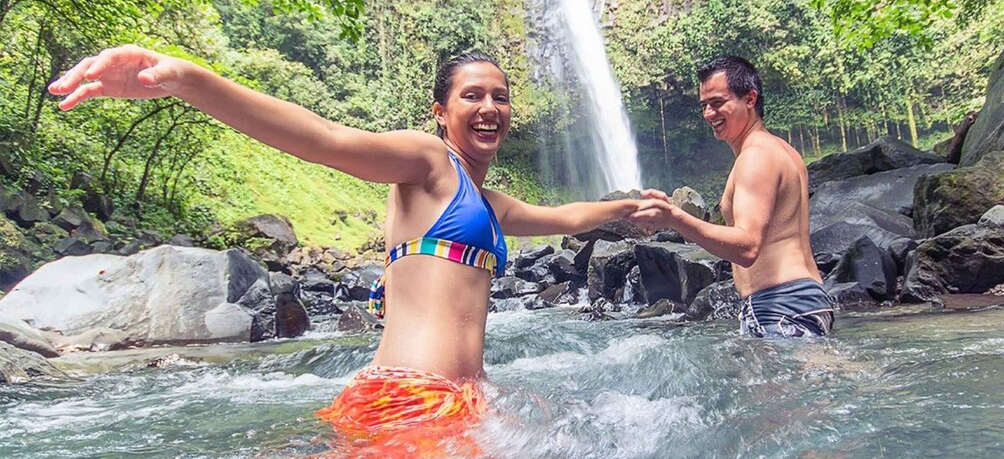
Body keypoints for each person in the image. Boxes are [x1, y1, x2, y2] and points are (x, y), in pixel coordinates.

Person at [48, 45, 651, 451]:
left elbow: (566, 216)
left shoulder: (489, 204)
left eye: (500, 96)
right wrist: (190, 81)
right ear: (440, 114)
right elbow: (325, 140)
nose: (490, 107)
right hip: (412, 397)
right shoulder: (427, 161)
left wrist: (628, 207)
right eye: (472, 96)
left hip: (462, 398)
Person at [630, 55, 834, 338]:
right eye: (704, 106)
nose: (708, 114)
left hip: (780, 304)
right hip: (803, 298)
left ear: (750, 99)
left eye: (717, 103)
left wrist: (674, 218)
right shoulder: (781, 150)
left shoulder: (756, 157)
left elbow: (747, 247)